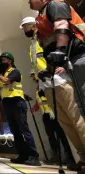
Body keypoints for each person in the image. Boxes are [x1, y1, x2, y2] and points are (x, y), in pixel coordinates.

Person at [27, 0, 85, 171]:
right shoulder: (41, 20)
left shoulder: (56, 5)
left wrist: (60, 51)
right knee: (66, 120)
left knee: (80, 110)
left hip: (78, 56)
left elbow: (62, 26)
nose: (29, 1)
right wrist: (49, 68)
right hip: (63, 66)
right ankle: (83, 157)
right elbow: (48, 47)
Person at [22, 16, 79, 167]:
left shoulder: (45, 37)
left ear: (33, 26)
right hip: (45, 85)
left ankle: (71, 156)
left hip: (58, 79)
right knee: (62, 123)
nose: (24, 31)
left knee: (74, 119)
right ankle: (70, 156)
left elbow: (57, 52)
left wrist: (58, 67)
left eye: (25, 27)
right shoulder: (32, 46)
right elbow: (38, 64)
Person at [0, 52, 41, 166]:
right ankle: (23, 155)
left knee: (24, 129)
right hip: (7, 102)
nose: (2, 62)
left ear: (10, 61)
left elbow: (7, 81)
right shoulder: (2, 74)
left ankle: (34, 156)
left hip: (17, 102)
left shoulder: (15, 72)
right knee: (15, 131)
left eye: (4, 60)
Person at [30, 74, 75, 164]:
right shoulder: (38, 88)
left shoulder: (46, 85)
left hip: (53, 113)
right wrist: (35, 107)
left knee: (61, 136)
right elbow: (39, 100)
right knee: (51, 137)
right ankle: (55, 157)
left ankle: (70, 157)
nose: (33, 78)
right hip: (45, 115)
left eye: (33, 76)